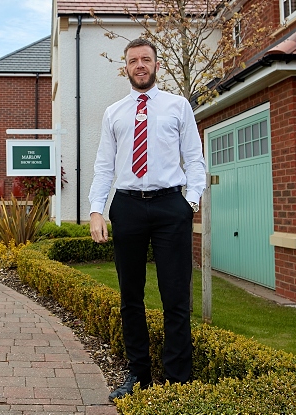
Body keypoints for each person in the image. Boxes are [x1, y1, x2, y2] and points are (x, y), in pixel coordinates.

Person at [88, 38, 207, 401]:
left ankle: (177, 382)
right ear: (125, 67)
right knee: (131, 298)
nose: (140, 65)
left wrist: (190, 202)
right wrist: (96, 209)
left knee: (175, 298)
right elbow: (104, 166)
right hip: (128, 207)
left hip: (171, 207)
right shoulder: (114, 113)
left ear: (157, 64)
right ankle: (138, 376)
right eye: (133, 60)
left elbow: (195, 159)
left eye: (146, 59)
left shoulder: (178, 106)